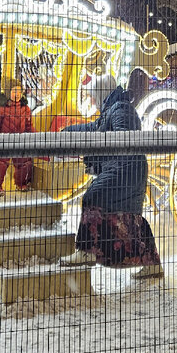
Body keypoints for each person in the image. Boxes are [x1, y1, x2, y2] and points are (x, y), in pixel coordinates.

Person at [59, 73, 163, 279]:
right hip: (125, 168)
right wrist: (67, 131)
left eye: (93, 96)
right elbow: (94, 128)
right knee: (130, 215)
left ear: (101, 93)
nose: (93, 100)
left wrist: (100, 145)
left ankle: (86, 251)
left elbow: (122, 137)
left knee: (93, 198)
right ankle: (152, 265)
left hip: (125, 169)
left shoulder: (121, 109)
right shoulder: (112, 109)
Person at [0, 81, 35, 193]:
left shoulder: (26, 108)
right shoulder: (0, 108)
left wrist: (33, 137)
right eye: (14, 91)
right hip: (3, 141)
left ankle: (21, 184)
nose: (17, 94)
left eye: (19, 91)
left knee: (24, 163)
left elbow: (29, 126)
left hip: (20, 141)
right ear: (8, 92)